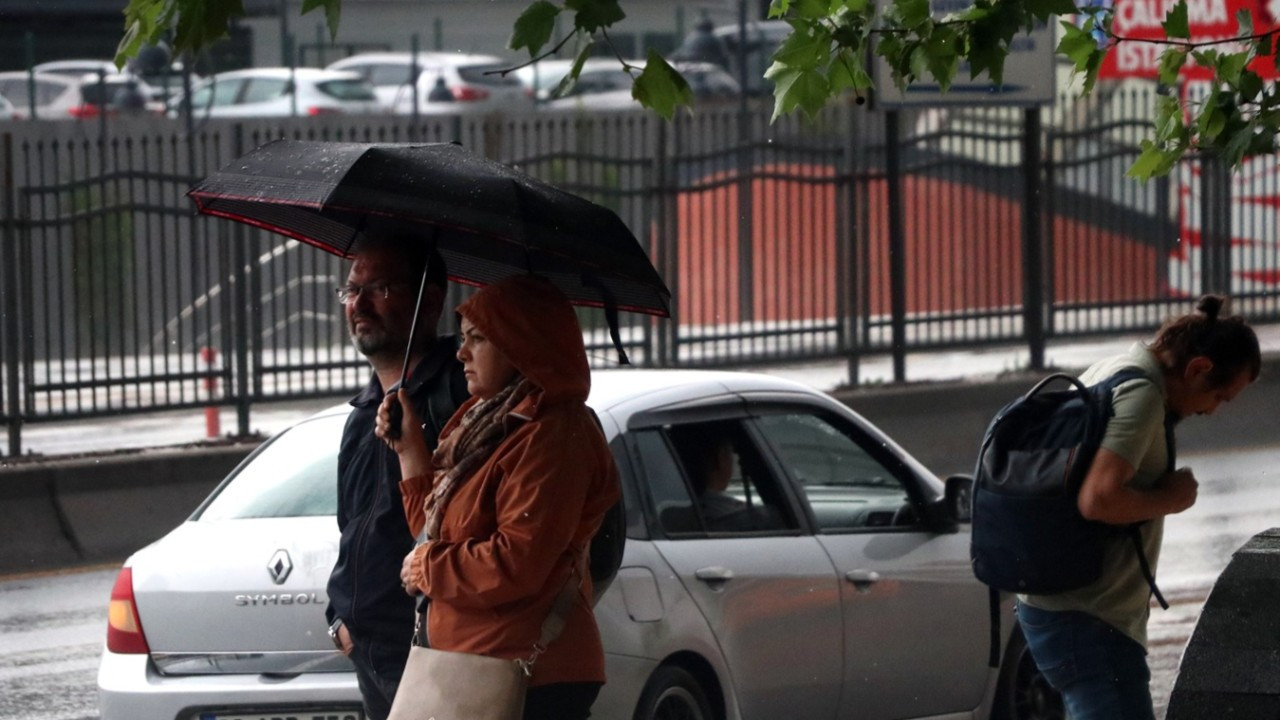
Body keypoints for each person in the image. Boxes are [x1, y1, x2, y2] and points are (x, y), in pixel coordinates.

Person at [375, 274, 621, 720]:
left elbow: (516, 563)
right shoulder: (486, 424)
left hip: (528, 675)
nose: (461, 353)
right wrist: (410, 450)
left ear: (521, 345)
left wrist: (428, 567)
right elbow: (433, 532)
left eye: (479, 338)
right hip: (469, 663)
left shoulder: (552, 436)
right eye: (463, 338)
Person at [1017, 294, 1260, 720]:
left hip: (1063, 610)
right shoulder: (1142, 396)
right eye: (1220, 396)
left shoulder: (1115, 368)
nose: (1212, 410)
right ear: (1198, 369)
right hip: (1089, 621)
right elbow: (1098, 499)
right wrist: (1173, 498)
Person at [324, 234, 468, 720]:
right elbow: (352, 530)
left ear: (430, 300)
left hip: (432, 651)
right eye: (351, 290)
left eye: (380, 288)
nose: (359, 304)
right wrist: (340, 620)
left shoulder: (459, 397)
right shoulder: (361, 417)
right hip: (371, 655)